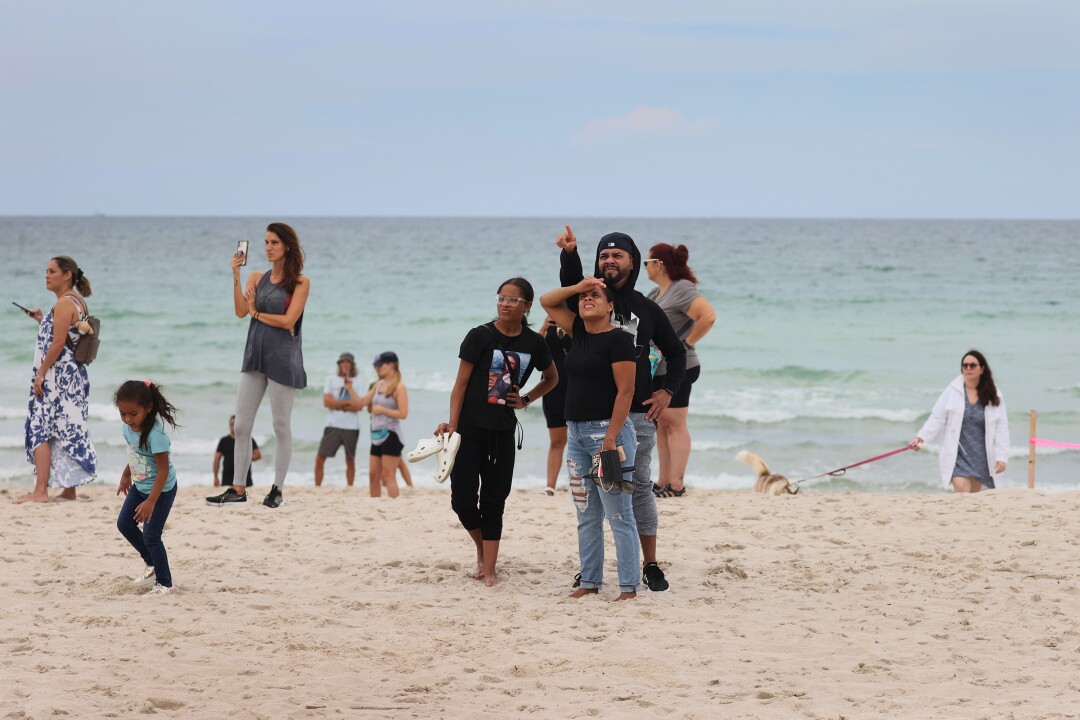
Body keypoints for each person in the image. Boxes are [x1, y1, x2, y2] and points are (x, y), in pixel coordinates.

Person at [557, 226, 686, 592]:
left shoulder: (647, 309)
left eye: (617, 255)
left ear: (632, 261)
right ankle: (593, 571)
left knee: (638, 488)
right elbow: (570, 286)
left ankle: (649, 565)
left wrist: (666, 392)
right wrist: (570, 254)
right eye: (604, 255)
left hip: (633, 415)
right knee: (592, 498)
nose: (609, 261)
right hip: (588, 416)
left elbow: (676, 353)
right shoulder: (589, 300)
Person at [434, 278, 558, 587]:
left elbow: (552, 378)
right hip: (469, 431)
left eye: (513, 300)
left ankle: (489, 569)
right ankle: (481, 546)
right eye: (501, 297)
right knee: (462, 501)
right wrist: (452, 423)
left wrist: (526, 399)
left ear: (527, 306)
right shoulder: (479, 336)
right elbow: (460, 384)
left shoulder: (534, 343)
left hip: (502, 432)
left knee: (494, 501)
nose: (504, 303)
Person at [541, 278, 640, 600]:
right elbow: (548, 301)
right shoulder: (579, 333)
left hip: (608, 437)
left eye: (595, 296)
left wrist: (611, 439)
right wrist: (579, 286)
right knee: (586, 514)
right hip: (576, 436)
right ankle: (589, 582)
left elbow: (626, 391)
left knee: (619, 514)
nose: (587, 299)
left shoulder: (619, 340)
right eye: (584, 297)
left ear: (611, 306)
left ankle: (628, 586)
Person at [206, 222, 309, 509]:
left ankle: (277, 489)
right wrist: (236, 274)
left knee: (280, 425)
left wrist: (256, 312)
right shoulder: (255, 276)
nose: (268, 247)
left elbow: (288, 321)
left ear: (287, 246)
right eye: (265, 242)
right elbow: (241, 312)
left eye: (274, 242)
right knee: (241, 425)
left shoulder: (301, 283)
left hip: (283, 360)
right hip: (254, 356)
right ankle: (238, 488)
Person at [15, 256, 97, 504]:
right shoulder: (76, 301)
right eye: (46, 271)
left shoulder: (64, 303)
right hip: (71, 378)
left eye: (51, 271)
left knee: (41, 427)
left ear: (67, 275)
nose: (46, 275)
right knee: (65, 428)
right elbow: (66, 334)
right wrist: (42, 320)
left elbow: (59, 343)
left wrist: (41, 373)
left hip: (57, 378)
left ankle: (40, 491)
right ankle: (69, 490)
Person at [644, 243, 717, 498]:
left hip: (682, 366)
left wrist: (685, 344)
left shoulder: (682, 288)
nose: (644, 267)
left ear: (658, 264)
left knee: (675, 423)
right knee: (661, 424)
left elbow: (707, 316)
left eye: (646, 262)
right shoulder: (655, 293)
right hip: (658, 367)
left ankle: (677, 484)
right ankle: (663, 481)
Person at [114, 380, 180, 596]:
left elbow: (162, 471)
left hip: (161, 490)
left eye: (133, 414)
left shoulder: (155, 435)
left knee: (151, 536)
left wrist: (151, 501)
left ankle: (165, 583)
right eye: (123, 413)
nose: (127, 419)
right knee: (124, 524)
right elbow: (135, 452)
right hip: (140, 485)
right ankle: (152, 562)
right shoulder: (128, 429)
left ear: (148, 408)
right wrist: (126, 474)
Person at [913, 349, 1010, 493]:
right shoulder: (952, 391)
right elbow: (937, 417)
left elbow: (1002, 428)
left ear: (982, 369)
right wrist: (922, 437)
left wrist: (1002, 457)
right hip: (958, 455)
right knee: (961, 488)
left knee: (975, 498)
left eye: (972, 365)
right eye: (965, 366)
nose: (968, 368)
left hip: (982, 457)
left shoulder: (994, 396)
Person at [358, 351, 409, 498]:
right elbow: (362, 402)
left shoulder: (399, 387)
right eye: (377, 365)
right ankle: (375, 506)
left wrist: (382, 410)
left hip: (391, 434)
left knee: (388, 476)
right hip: (376, 434)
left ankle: (394, 507)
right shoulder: (378, 384)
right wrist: (348, 388)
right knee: (373, 476)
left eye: (381, 364)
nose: (378, 367)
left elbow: (403, 414)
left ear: (391, 365)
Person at [315, 352, 364, 487]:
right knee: (320, 457)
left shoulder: (359, 381)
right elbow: (326, 402)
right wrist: (347, 403)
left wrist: (336, 403)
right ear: (339, 364)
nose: (345, 365)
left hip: (351, 426)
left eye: (348, 362)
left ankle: (350, 487)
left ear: (352, 365)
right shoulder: (331, 379)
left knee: (350, 458)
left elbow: (359, 406)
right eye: (343, 362)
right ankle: (317, 487)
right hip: (333, 425)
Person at [539, 315, 572, 497]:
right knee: (557, 440)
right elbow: (535, 351)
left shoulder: (578, 322)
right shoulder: (549, 324)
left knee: (582, 440)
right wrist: (544, 326)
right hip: (553, 389)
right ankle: (550, 486)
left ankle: (582, 482)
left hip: (578, 387)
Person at [212, 416, 261, 487]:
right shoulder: (223, 441)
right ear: (229, 426)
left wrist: (246, 457)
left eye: (236, 424)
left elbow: (258, 455)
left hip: (245, 481)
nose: (234, 426)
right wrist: (215, 477)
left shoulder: (248, 439)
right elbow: (217, 459)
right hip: (227, 480)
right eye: (232, 424)